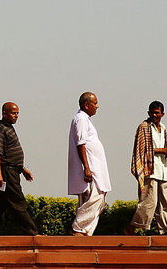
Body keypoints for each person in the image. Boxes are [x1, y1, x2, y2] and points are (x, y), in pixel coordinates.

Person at [0, 102, 40, 236]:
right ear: (4, 113)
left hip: (13, 170)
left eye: (17, 113)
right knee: (18, 202)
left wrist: (23, 169)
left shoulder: (9, 128)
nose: (16, 116)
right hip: (6, 173)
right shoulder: (0, 129)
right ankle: (32, 233)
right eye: (13, 113)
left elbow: (11, 153)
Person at [125, 100, 167, 236]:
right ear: (148, 113)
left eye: (157, 113)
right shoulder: (144, 127)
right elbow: (141, 149)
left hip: (162, 170)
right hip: (149, 169)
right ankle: (132, 227)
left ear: (162, 114)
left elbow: (160, 147)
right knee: (149, 202)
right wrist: (162, 150)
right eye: (152, 113)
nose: (154, 115)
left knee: (166, 203)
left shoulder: (163, 128)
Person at [66, 92, 110, 236]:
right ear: (86, 105)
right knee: (95, 198)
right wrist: (86, 167)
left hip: (95, 167)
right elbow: (81, 144)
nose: (97, 106)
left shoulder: (86, 119)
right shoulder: (81, 119)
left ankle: (85, 232)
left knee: (99, 200)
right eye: (95, 103)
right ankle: (77, 228)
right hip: (90, 168)